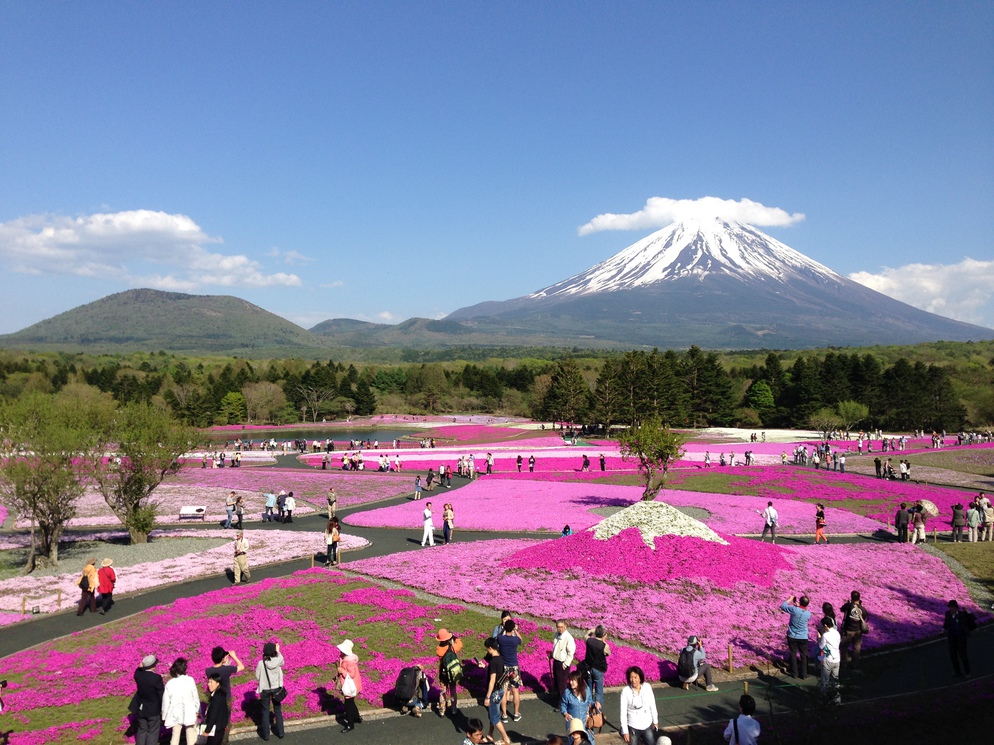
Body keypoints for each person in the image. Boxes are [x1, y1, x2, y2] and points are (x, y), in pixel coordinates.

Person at [620, 666, 669, 745]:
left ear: (640, 677)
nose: (633, 680)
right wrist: (625, 731)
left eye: (635, 677)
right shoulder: (625, 691)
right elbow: (623, 713)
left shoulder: (647, 687)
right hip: (633, 726)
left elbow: (652, 704)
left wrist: (655, 721)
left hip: (647, 724)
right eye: (631, 677)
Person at [162, 657, 200, 745]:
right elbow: (195, 697)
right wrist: (197, 710)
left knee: (175, 735)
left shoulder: (170, 683)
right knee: (190, 734)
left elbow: (165, 702)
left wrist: (164, 716)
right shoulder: (190, 680)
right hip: (189, 711)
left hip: (175, 712)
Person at [480, 637, 511, 745]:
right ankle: (490, 735)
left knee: (495, 718)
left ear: (490, 648)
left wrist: (487, 697)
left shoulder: (493, 661)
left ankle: (505, 738)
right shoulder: (500, 659)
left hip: (494, 692)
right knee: (493, 715)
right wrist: (485, 668)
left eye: (487, 649)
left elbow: (492, 680)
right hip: (501, 690)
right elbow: (497, 675)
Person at [255, 642, 285, 740]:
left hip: (264, 690)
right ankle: (280, 733)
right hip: (276, 689)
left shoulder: (260, 663)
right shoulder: (278, 660)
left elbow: (257, 677)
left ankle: (266, 735)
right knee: (277, 710)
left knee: (265, 711)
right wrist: (278, 650)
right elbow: (282, 661)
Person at [132, 654, 164, 745]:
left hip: (141, 708)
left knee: (142, 730)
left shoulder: (138, 675)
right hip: (153, 710)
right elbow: (161, 694)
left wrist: (139, 667)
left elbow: (137, 671)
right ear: (153, 666)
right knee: (152, 732)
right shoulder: (156, 678)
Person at [779, 595, 811, 679]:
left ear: (800, 602)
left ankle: (794, 674)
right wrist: (798, 607)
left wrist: (789, 599)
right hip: (803, 637)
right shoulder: (808, 614)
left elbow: (782, 606)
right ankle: (804, 674)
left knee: (793, 654)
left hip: (792, 636)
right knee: (804, 655)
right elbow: (802, 613)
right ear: (807, 604)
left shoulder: (794, 609)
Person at [497, 619, 523, 722]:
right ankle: (516, 714)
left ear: (504, 627)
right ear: (512, 628)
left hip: (504, 667)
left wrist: (503, 629)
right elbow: (521, 639)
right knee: (515, 690)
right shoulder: (515, 640)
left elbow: (497, 637)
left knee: (504, 691)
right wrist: (516, 630)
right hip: (514, 667)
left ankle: (504, 715)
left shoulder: (501, 638)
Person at [559, 670, 596, 742]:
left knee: (588, 741)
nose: (570, 682)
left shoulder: (586, 690)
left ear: (579, 681)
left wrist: (595, 704)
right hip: (573, 724)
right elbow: (563, 705)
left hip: (585, 723)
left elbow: (590, 701)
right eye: (570, 680)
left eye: (573, 680)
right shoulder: (567, 693)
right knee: (574, 742)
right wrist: (565, 714)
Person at [206, 645, 245, 713]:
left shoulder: (208, 671)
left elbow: (219, 670)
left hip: (214, 698)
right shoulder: (227, 669)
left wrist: (223, 662)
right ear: (222, 658)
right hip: (226, 698)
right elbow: (241, 667)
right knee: (226, 718)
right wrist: (234, 656)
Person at [336, 639, 363, 733]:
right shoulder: (345, 658)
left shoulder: (349, 661)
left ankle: (350, 724)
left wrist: (342, 671)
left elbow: (351, 674)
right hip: (351, 684)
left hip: (349, 686)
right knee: (351, 702)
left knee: (348, 705)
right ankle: (357, 717)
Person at [435, 628, 463, 716]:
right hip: (452, 673)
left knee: (443, 691)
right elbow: (460, 644)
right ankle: (454, 708)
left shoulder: (438, 649)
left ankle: (442, 709)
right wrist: (454, 637)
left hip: (443, 674)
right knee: (453, 690)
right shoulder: (452, 647)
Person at [943, 600, 974, 677]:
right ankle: (957, 671)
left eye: (953, 607)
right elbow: (946, 623)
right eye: (950, 607)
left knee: (963, 655)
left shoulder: (962, 614)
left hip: (961, 638)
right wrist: (943, 629)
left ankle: (967, 672)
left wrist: (967, 611)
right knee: (953, 655)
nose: (951, 609)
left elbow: (972, 618)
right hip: (951, 637)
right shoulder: (948, 614)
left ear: (956, 608)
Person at [839, 590, 868, 669]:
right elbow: (864, 618)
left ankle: (844, 663)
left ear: (851, 597)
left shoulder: (848, 606)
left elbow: (841, 609)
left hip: (848, 630)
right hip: (858, 631)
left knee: (844, 647)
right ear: (859, 598)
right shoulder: (862, 609)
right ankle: (854, 663)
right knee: (856, 648)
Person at [584, 625, 610, 708]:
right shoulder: (604, 645)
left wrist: (592, 630)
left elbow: (586, 635)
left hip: (588, 668)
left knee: (589, 690)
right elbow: (607, 653)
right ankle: (598, 713)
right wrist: (603, 641)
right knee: (599, 692)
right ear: (604, 635)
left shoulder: (589, 641)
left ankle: (589, 710)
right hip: (598, 669)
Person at [816, 616, 841, 703]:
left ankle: (824, 698)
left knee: (824, 680)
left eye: (823, 626)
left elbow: (821, 647)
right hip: (837, 659)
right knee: (835, 680)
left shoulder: (825, 635)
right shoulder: (837, 633)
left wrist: (819, 638)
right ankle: (837, 699)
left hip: (828, 660)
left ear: (826, 625)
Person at [201, 674, 230, 745]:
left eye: (211, 682)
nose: (209, 684)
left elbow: (213, 715)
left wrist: (207, 730)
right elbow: (225, 711)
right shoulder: (220, 694)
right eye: (208, 682)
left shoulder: (217, 697)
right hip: (220, 727)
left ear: (217, 683)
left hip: (216, 728)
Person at [550, 620, 576, 696]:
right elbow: (556, 647)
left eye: (561, 627)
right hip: (556, 662)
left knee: (562, 685)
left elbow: (571, 653)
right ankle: (559, 700)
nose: (560, 629)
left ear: (565, 627)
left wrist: (565, 664)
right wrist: (552, 655)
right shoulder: (556, 635)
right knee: (557, 683)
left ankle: (562, 704)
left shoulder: (568, 638)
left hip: (562, 664)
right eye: (558, 627)